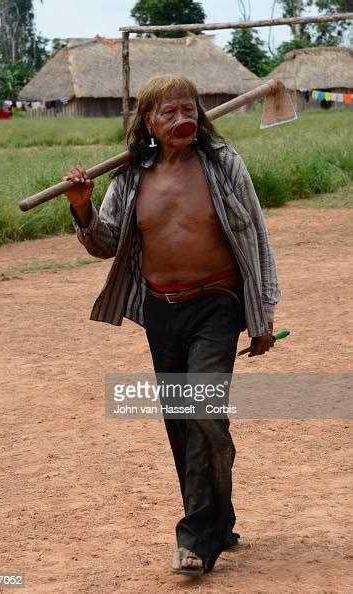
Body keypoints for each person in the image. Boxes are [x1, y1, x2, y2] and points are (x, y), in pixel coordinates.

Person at [63, 75, 281, 576]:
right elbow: (105, 242)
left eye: (190, 109)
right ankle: (219, 521)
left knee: (204, 414)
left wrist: (263, 315)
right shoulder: (130, 175)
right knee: (185, 423)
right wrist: (81, 206)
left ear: (200, 115)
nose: (182, 119)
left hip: (218, 305)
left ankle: (195, 540)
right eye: (169, 112)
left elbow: (258, 238)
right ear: (149, 123)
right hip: (161, 311)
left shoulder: (224, 165)